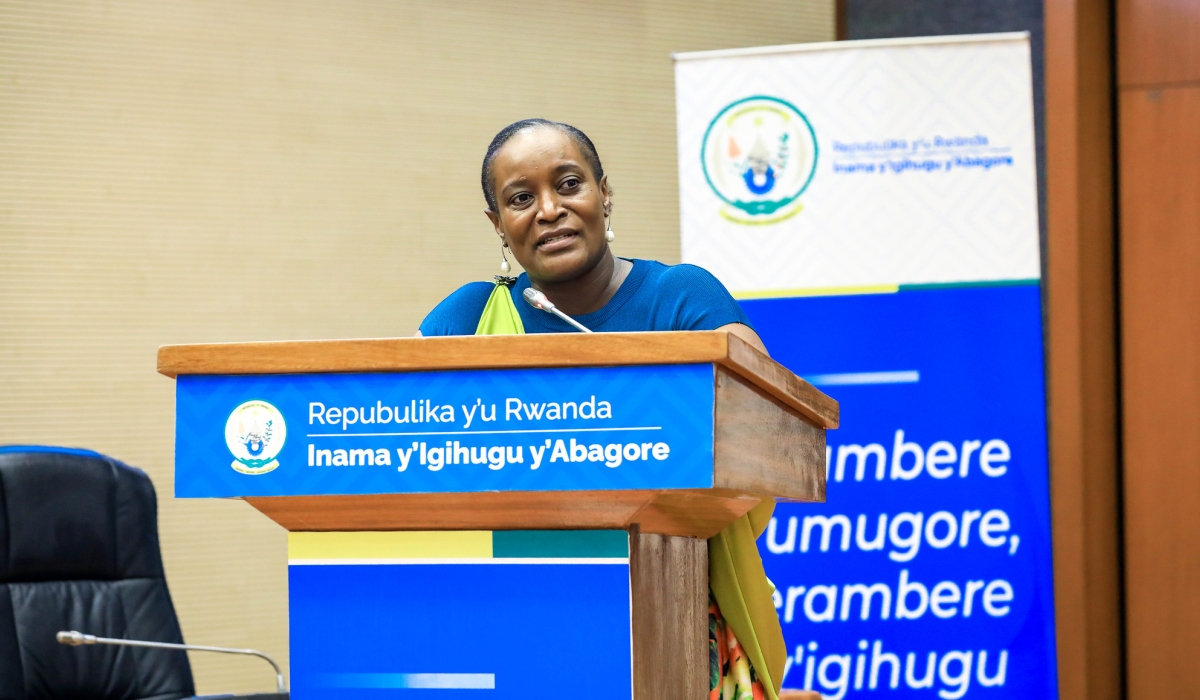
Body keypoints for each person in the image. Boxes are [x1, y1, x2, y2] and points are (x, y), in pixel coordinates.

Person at [419, 118, 788, 700]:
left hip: (673, 622)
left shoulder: (679, 298)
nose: (548, 209)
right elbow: (395, 446)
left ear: (604, 193)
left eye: (568, 184)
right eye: (521, 198)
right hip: (507, 622)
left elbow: (768, 432)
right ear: (498, 224)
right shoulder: (466, 320)